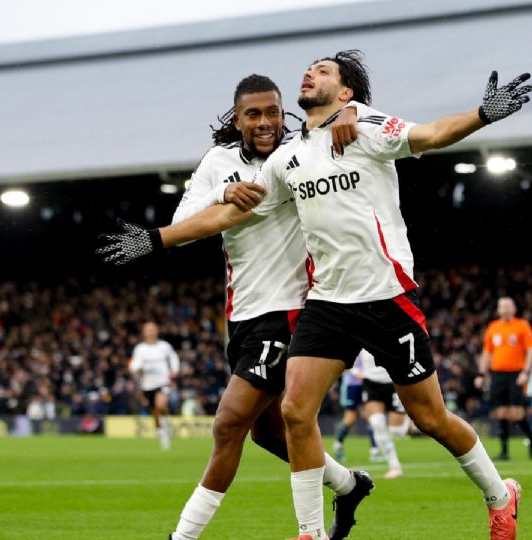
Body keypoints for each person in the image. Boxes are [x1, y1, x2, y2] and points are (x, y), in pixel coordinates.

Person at [98, 50, 532, 540]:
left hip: (388, 295)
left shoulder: (366, 127)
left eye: (324, 70)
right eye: (309, 69)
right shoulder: (286, 159)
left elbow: (432, 135)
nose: (311, 72)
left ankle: (501, 496)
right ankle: (309, 532)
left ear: (346, 92)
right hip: (327, 302)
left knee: (430, 417)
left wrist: (483, 114)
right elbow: (227, 216)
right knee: (293, 412)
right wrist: (157, 238)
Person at [104, 74, 372, 540]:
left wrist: (351, 111)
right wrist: (221, 193)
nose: (266, 122)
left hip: (292, 312)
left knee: (228, 422)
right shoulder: (217, 162)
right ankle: (348, 485)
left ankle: (181, 537)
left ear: (284, 111)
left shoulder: (302, 152)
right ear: (237, 118)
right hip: (242, 318)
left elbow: (351, 122)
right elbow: (183, 223)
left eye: (273, 111)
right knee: (267, 434)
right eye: (254, 114)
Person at [476, 297, 532, 460]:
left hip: (516, 373)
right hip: (498, 374)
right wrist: (482, 374)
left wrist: (526, 371)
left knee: (517, 413)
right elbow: (487, 352)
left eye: (507, 307)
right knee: (501, 412)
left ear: (514, 309)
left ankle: (531, 440)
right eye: (502, 307)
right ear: (498, 310)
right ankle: (504, 451)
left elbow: (531, 349)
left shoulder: (522, 325)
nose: (504, 310)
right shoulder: (493, 327)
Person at [129, 321, 180, 450]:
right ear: (144, 333)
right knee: (155, 412)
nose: (150, 332)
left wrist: (174, 370)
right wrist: (140, 366)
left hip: (163, 382)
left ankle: (167, 425)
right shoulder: (140, 349)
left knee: (161, 404)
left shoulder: (164, 346)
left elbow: (173, 357)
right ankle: (163, 435)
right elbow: (133, 366)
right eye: (148, 330)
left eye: (153, 329)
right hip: (148, 384)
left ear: (157, 331)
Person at [357, 349, 406, 479]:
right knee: (377, 423)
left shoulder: (392, 329)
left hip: (395, 381)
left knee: (397, 431)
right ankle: (395, 466)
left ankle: (410, 417)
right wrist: (354, 371)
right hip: (371, 383)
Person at [333, 364, 366, 463]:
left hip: (367, 383)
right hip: (351, 386)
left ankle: (375, 451)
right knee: (351, 418)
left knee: (371, 417)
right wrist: (354, 371)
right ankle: (338, 445)